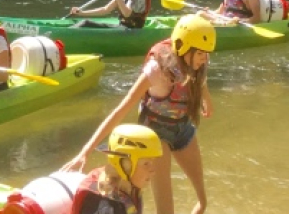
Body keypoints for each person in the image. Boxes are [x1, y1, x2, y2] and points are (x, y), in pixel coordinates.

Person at [63, 15, 214, 214]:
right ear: (183, 48)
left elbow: (198, 77)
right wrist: (86, 150)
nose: (205, 58)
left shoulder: (197, 59)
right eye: (201, 54)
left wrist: (206, 98)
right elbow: (120, 110)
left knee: (202, 201)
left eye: (206, 54)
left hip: (183, 128)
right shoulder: (156, 70)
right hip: (156, 134)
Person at [71, 123, 162, 214]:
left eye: (152, 162)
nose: (153, 170)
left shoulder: (129, 187)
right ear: (125, 165)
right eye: (146, 163)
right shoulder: (106, 206)